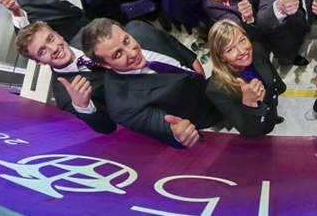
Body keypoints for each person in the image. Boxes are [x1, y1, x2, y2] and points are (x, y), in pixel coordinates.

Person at [81, 19, 220, 148]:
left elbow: (168, 40)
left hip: (208, 81)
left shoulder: (138, 27)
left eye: (126, 40)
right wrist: (178, 135)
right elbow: (166, 132)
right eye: (118, 54)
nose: (132, 53)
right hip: (207, 114)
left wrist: (192, 60)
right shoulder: (122, 104)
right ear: (105, 65)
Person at [15, 22, 116, 134]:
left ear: (58, 35)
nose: (54, 49)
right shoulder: (64, 96)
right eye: (42, 51)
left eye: (51, 39)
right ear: (40, 62)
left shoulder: (88, 33)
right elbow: (107, 127)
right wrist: (84, 107)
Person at [205, 20, 285, 138]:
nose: (242, 51)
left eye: (242, 40)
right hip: (256, 121)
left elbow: (270, 70)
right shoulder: (216, 89)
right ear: (222, 57)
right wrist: (250, 103)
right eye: (230, 49)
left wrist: (280, 86)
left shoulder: (256, 50)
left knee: (272, 117)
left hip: (271, 104)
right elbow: (250, 133)